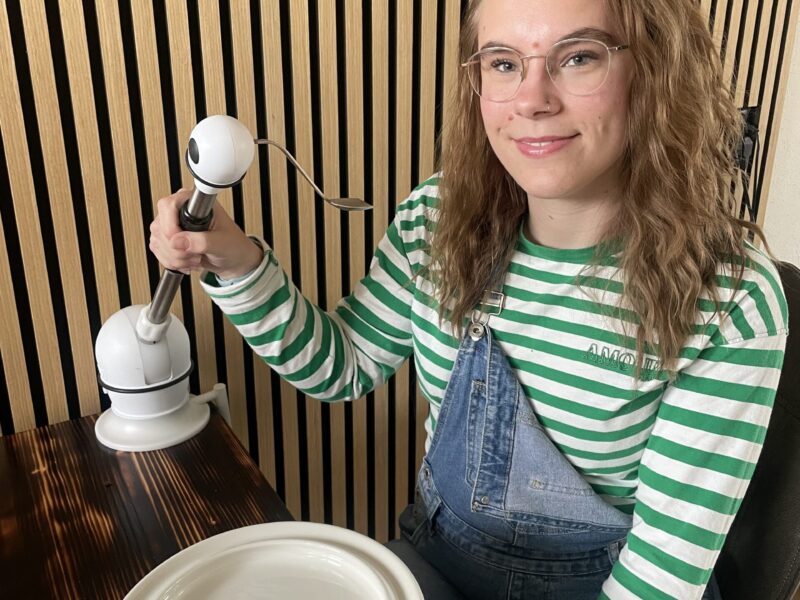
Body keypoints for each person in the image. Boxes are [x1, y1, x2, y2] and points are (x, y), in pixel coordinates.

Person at [149, 0, 788, 598]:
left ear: (655, 71)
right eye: (503, 63)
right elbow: (341, 367)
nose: (532, 100)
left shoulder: (728, 297)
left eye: (578, 57)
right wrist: (236, 262)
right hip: (435, 562)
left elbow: (659, 577)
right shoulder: (437, 216)